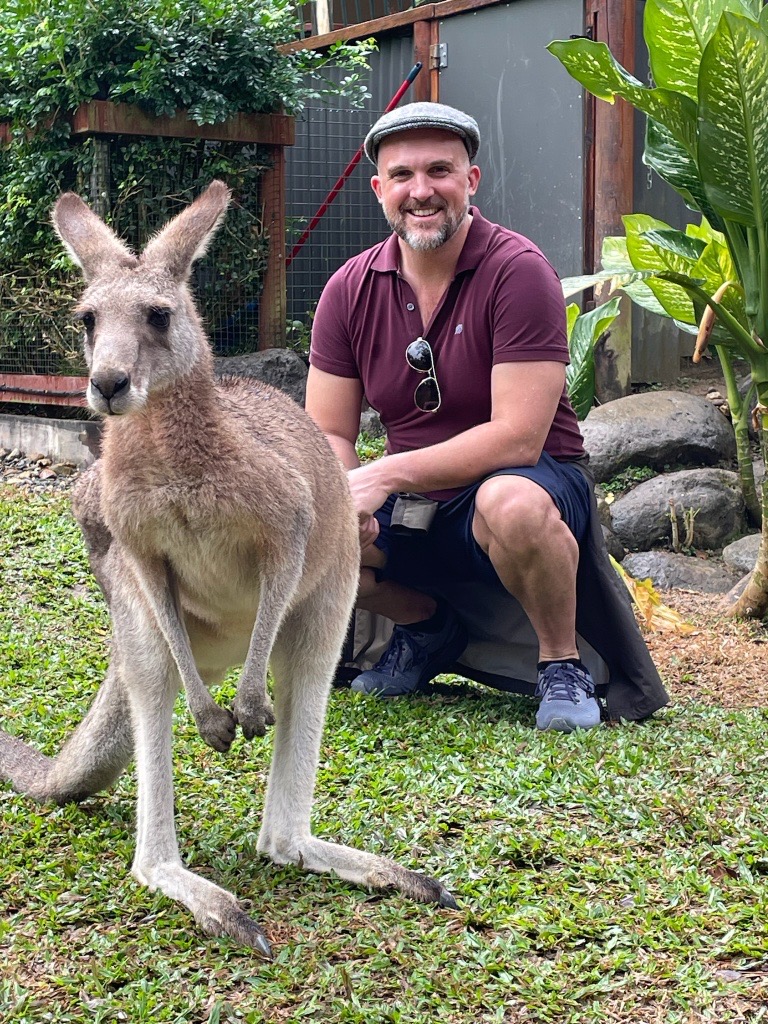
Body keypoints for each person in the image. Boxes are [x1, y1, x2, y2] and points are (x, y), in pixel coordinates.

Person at [305, 101, 667, 732]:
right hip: (419, 505)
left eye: (440, 171)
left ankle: (562, 665)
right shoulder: (347, 290)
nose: (422, 191)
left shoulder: (517, 270)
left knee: (510, 502)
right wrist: (348, 499)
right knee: (308, 524)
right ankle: (425, 628)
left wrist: (384, 476)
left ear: (470, 181)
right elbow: (329, 431)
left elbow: (518, 437)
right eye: (402, 176)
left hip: (533, 480)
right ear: (379, 190)